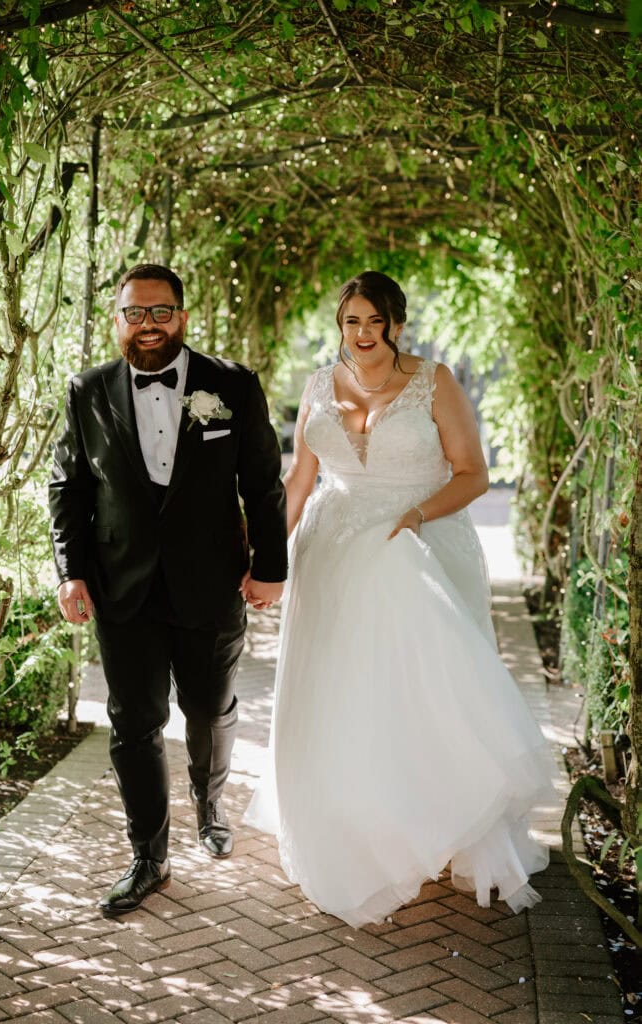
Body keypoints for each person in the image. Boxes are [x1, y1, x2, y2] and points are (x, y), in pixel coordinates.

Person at [243, 270, 553, 928]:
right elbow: (298, 481)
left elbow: (473, 474)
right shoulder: (316, 386)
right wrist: (265, 560)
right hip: (330, 550)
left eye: (372, 322)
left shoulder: (434, 382)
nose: (361, 335)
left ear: (395, 324)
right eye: (349, 322)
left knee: (422, 686)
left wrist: (414, 517)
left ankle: (441, 818)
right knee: (337, 686)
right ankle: (353, 823)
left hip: (421, 541)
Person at [50, 263, 287, 918]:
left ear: (182, 316)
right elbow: (66, 486)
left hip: (210, 582)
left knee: (208, 710)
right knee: (133, 724)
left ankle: (210, 804)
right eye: (135, 313)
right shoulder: (87, 390)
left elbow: (262, 483)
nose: (147, 325)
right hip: (120, 586)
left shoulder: (230, 386)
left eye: (160, 312)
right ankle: (148, 856)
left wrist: (271, 565)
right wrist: (69, 569)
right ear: (117, 319)